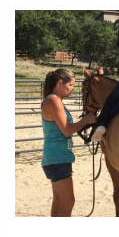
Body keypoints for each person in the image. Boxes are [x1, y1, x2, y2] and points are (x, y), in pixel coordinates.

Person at [41, 68, 97, 216]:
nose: (72, 89)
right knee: (69, 201)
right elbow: (67, 130)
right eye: (71, 85)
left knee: (59, 200)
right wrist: (85, 120)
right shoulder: (53, 101)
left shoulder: (55, 100)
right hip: (57, 158)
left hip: (56, 158)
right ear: (60, 83)